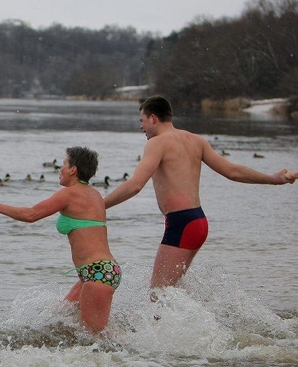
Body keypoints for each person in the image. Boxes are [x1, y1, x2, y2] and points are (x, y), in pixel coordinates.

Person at [104, 95, 298, 290]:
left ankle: (187, 321)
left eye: (142, 121)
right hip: (197, 221)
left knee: (158, 293)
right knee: (171, 292)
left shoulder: (157, 143)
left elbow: (135, 185)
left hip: (181, 223)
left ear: (153, 118)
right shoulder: (196, 140)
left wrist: (99, 205)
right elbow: (232, 171)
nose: (141, 127)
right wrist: (273, 179)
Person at [0, 146, 121, 333]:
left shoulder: (70, 193)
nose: (60, 169)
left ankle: (136, 359)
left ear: (73, 169)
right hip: (99, 271)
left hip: (98, 273)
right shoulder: (93, 193)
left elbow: (31, 214)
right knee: (61, 319)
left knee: (96, 338)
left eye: (64, 164)